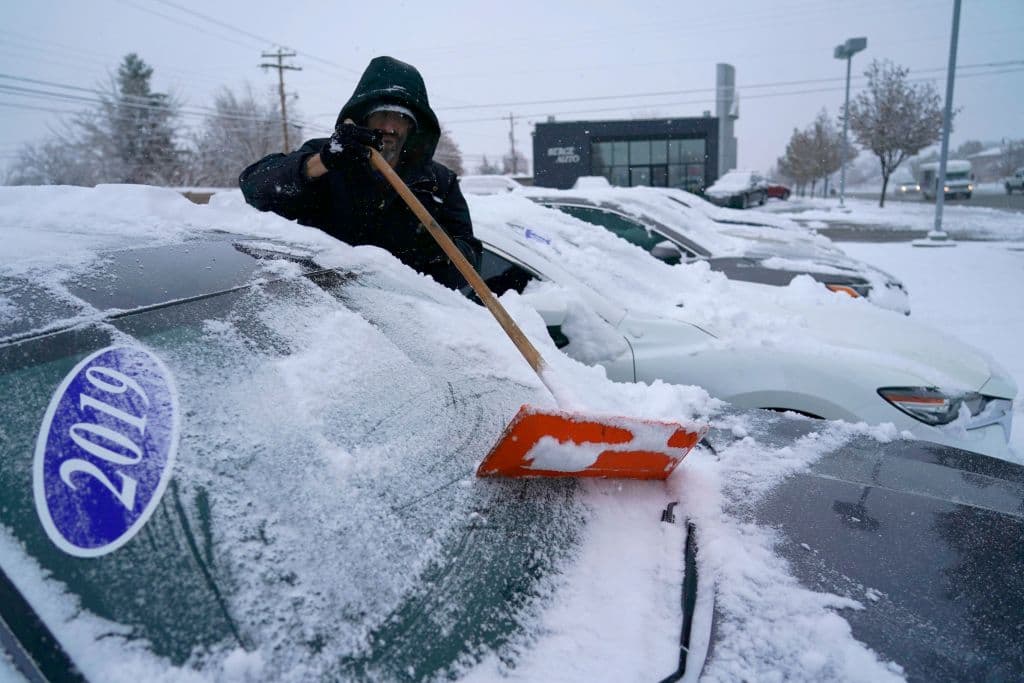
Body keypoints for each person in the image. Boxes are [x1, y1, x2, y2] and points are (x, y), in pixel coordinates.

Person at [239, 56, 480, 289]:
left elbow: (470, 266)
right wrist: (320, 163)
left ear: (412, 127)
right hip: (327, 315)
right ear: (364, 118)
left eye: (400, 117)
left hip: (406, 317)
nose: (389, 127)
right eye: (382, 114)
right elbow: (254, 189)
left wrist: (442, 253)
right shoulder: (327, 158)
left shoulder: (439, 183)